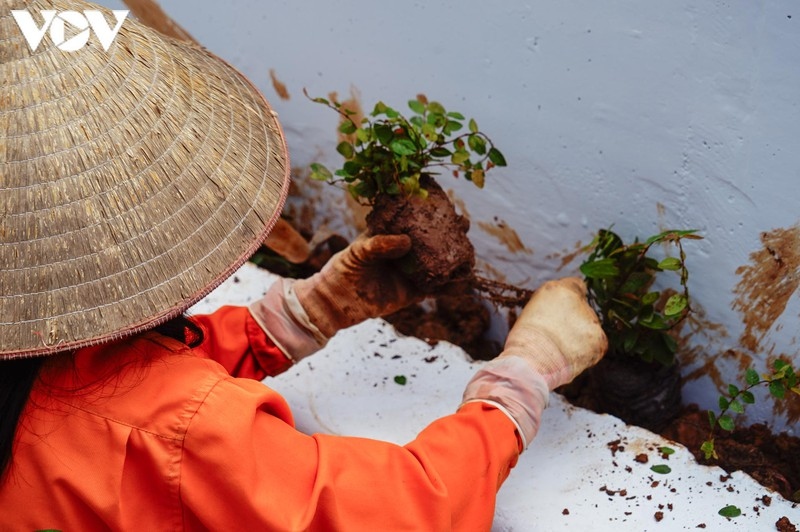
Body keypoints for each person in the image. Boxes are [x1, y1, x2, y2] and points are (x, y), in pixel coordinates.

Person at [0, 1, 607, 529]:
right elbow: (405, 514)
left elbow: (87, 376)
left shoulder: (51, 374)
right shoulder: (168, 433)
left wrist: (292, 319)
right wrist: (520, 380)